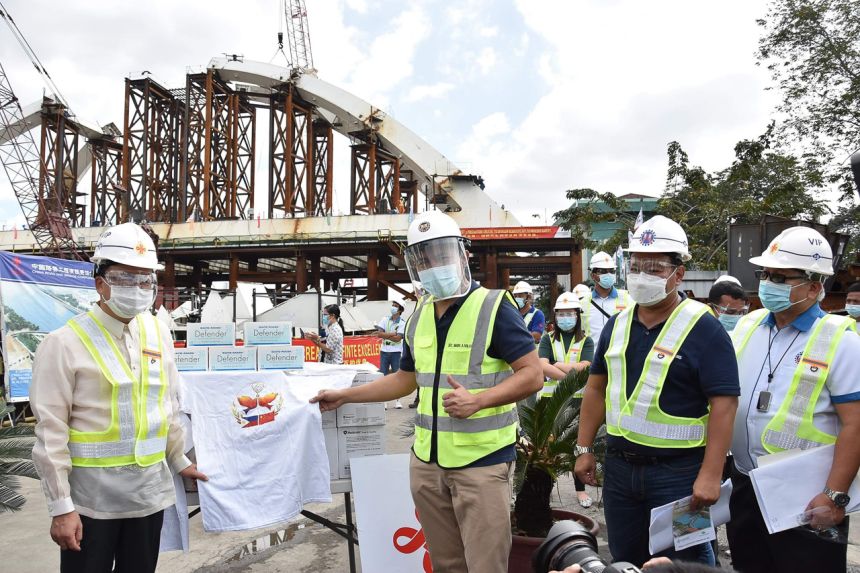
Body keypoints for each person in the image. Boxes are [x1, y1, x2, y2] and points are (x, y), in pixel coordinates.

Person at [311, 210, 543, 573]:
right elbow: (405, 380)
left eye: (440, 253)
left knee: (486, 565)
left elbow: (532, 375)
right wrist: (346, 394)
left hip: (481, 463)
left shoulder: (494, 307)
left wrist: (478, 400)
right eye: (422, 257)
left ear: (463, 254)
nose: (432, 264)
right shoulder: (418, 316)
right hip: (427, 463)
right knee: (446, 564)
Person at [29, 222, 208, 573]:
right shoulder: (63, 343)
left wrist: (178, 458)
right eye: (126, 278)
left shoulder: (158, 332)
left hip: (147, 497)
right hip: (91, 504)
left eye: (146, 280)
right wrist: (61, 506)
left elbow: (167, 405)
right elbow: (50, 433)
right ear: (101, 282)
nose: (138, 289)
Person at [574, 215, 740, 566]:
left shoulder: (704, 327)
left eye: (654, 267)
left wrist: (710, 476)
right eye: (636, 265)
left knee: (688, 559)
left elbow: (724, 403)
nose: (642, 275)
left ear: (678, 274)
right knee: (625, 557)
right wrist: (584, 447)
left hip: (680, 475)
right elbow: (595, 388)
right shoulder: (617, 325)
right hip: (619, 471)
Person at [726, 226, 860, 573]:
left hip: (806, 498)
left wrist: (834, 496)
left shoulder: (841, 342)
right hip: (746, 485)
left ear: (815, 287)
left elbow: (855, 425)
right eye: (766, 274)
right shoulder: (749, 325)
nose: (768, 283)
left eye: (781, 277)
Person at [538, 291, 594, 508]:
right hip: (550, 401)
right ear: (555, 316)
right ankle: (546, 490)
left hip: (578, 401)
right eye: (561, 313)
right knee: (547, 448)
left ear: (578, 315)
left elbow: (586, 367)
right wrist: (570, 377)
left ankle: (580, 491)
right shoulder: (547, 338)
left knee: (577, 447)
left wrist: (557, 365)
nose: (565, 317)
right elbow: (542, 365)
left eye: (570, 313)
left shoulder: (586, 340)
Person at [581, 251, 631, 344]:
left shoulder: (628, 299)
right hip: (593, 356)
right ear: (593, 275)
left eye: (611, 271)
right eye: (603, 271)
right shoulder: (583, 303)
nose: (608, 274)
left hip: (618, 356)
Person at [374, 298, 407, 408]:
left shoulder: (403, 323)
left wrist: (386, 335)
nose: (393, 307)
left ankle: (398, 400)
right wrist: (392, 334)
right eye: (393, 305)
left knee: (396, 375)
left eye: (395, 306)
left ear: (400, 310)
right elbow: (379, 334)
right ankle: (384, 400)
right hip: (384, 350)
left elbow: (398, 339)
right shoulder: (384, 319)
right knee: (383, 375)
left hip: (396, 352)